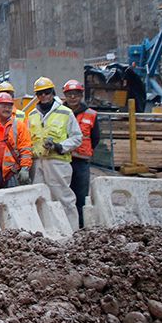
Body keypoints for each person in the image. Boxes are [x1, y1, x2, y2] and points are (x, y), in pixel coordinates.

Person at [27, 76, 82, 230]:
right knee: (39, 198)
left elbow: (77, 137)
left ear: (52, 92)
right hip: (37, 163)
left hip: (57, 162)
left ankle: (71, 231)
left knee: (64, 198)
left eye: (46, 92)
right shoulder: (32, 115)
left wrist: (59, 146)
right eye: (39, 93)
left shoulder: (65, 113)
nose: (43, 96)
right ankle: (45, 231)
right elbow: (27, 140)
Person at [62, 80, 98, 228]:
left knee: (80, 195)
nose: (73, 98)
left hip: (81, 161)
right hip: (63, 159)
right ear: (65, 96)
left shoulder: (91, 114)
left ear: (81, 95)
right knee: (63, 193)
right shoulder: (60, 113)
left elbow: (95, 137)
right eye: (69, 95)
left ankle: (81, 225)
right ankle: (65, 224)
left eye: (75, 94)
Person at [0, 92, 32, 189]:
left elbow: (26, 149)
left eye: (9, 106)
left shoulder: (19, 125)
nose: (7, 109)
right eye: (4, 106)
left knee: (12, 201)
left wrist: (25, 168)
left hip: (11, 172)